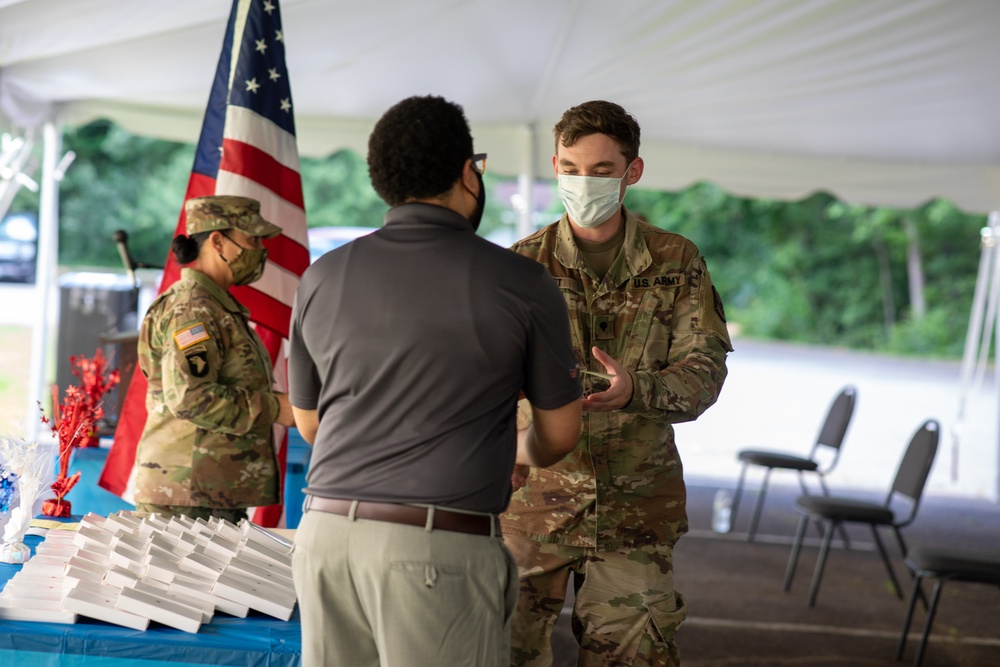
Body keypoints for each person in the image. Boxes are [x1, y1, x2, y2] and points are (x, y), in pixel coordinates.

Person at [287, 95, 584, 667]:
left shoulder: (322, 276)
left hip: (323, 537)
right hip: (434, 546)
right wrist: (514, 450)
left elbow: (311, 423)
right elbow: (561, 433)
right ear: (465, 172)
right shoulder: (521, 283)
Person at [502, 100, 734, 667]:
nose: (584, 182)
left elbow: (705, 371)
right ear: (555, 164)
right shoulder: (520, 267)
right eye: (571, 168)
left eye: (602, 170)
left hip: (635, 512)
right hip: (533, 508)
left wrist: (640, 390)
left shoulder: (676, 261)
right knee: (500, 652)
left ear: (632, 172)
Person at [133, 195, 296, 523]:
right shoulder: (194, 310)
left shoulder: (215, 306)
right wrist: (277, 408)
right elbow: (192, 397)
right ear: (218, 241)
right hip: (187, 493)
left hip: (207, 489)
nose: (260, 250)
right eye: (252, 239)